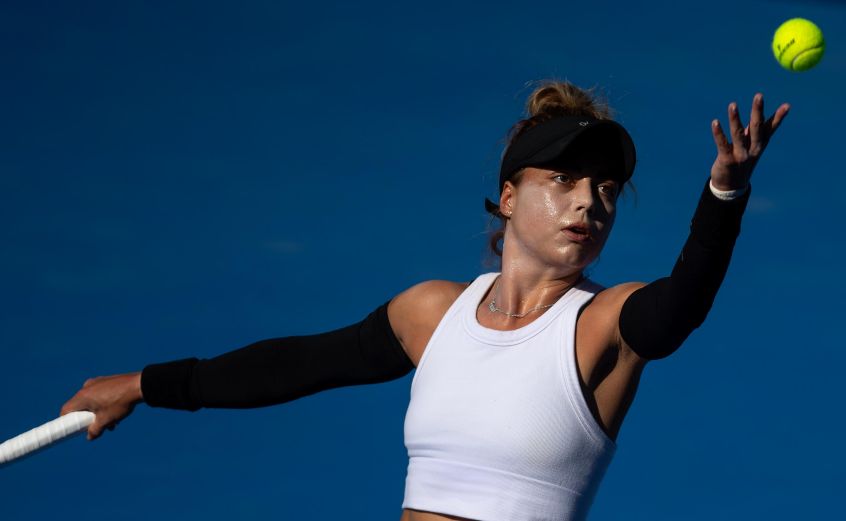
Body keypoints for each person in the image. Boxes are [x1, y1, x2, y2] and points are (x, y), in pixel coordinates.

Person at [60, 80, 790, 521]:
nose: (588, 203)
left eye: (604, 191)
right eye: (563, 181)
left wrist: (724, 192)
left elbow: (684, 302)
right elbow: (292, 367)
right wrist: (144, 383)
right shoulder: (432, 314)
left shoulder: (605, 324)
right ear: (508, 198)